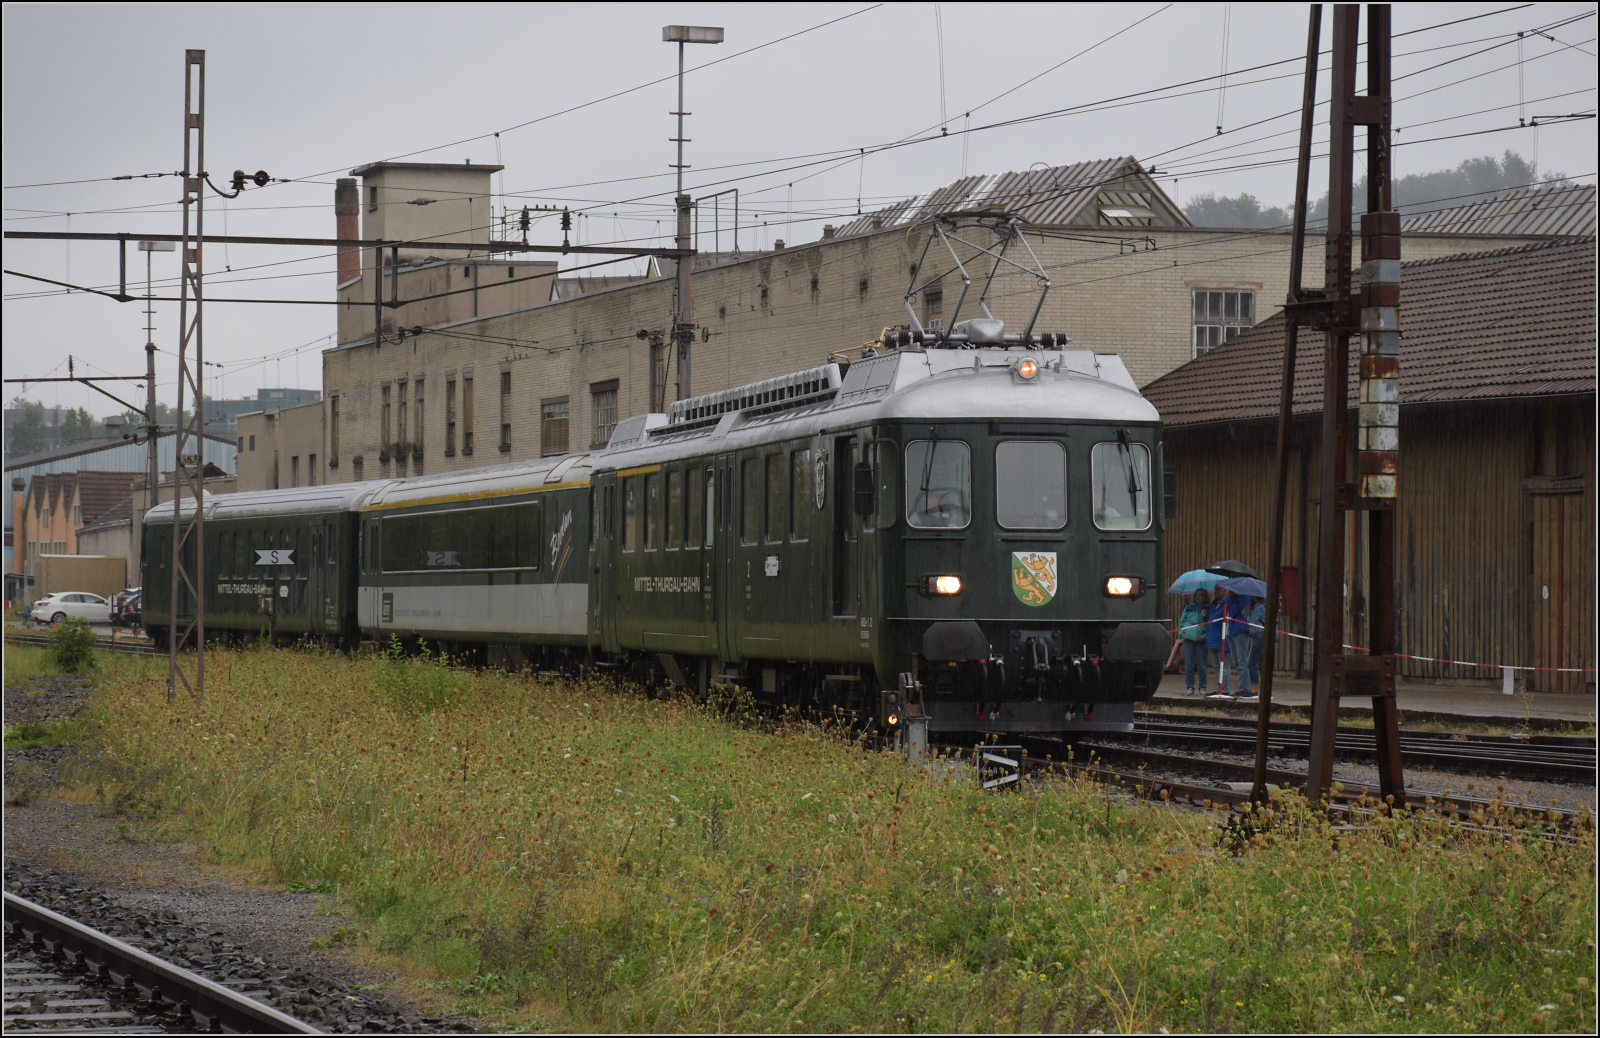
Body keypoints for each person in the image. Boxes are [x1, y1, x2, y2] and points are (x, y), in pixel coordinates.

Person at [1178, 589, 1210, 695]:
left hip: (1200, 641)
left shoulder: (1208, 609)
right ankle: (1190, 687)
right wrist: (1183, 634)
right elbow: (1181, 624)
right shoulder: (1188, 608)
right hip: (1188, 640)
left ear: (1205, 597)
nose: (1198, 597)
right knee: (1189, 665)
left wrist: (1203, 636)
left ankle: (1202, 687)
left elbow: (1210, 626)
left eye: (1201, 595)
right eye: (1196, 595)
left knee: (1202, 665)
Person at [1223, 590, 1254, 698]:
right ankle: (1241, 687)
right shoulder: (1229, 597)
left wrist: (1231, 598)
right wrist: (1229, 597)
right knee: (1236, 661)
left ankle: (1246, 688)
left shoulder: (1244, 595)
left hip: (1240, 628)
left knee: (1242, 660)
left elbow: (1239, 611)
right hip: (1230, 629)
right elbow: (1226, 609)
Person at [1243, 595, 1267, 700]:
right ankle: (1266, 690)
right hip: (1257, 636)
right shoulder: (1260, 606)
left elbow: (1251, 622)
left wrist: (1247, 611)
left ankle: (1253, 690)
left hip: (1259, 636)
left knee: (1251, 663)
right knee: (1261, 664)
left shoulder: (1259, 607)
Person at [1204, 588, 1227, 697]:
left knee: (1224, 665)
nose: (1216, 591)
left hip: (1222, 638)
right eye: (1216, 589)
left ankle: (1224, 689)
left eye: (1219, 589)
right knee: (1216, 666)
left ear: (1225, 590)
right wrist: (1206, 615)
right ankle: (1218, 688)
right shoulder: (1214, 604)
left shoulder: (1226, 603)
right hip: (1212, 639)